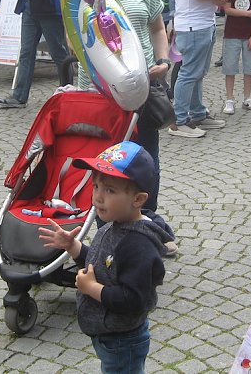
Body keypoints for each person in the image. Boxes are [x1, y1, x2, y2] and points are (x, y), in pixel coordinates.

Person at [39, 141, 172, 374]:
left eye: (110, 190)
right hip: (109, 333)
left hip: (123, 339)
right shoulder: (114, 226)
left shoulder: (138, 245)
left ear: (138, 199)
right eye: (96, 185)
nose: (98, 197)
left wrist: (92, 289)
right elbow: (103, 262)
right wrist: (74, 246)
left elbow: (132, 299)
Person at [82, 0, 171, 216]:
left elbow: (158, 28)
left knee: (145, 160)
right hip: (99, 92)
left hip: (141, 87)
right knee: (103, 163)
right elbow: (74, 40)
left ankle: (149, 224)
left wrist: (163, 60)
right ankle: (106, 229)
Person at [168, 0, 229, 138]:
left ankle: (197, 113)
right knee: (190, 72)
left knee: (196, 71)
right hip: (194, 24)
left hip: (199, 22)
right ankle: (180, 121)